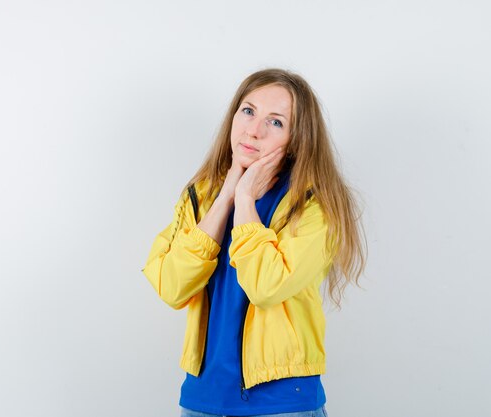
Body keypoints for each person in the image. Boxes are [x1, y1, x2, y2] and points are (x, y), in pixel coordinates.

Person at [141, 68, 366, 417]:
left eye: (275, 122)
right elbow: (172, 286)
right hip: (201, 400)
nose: (254, 130)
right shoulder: (199, 196)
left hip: (281, 404)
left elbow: (266, 286)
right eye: (248, 111)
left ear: (297, 137)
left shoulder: (314, 204)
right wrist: (227, 193)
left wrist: (245, 199)